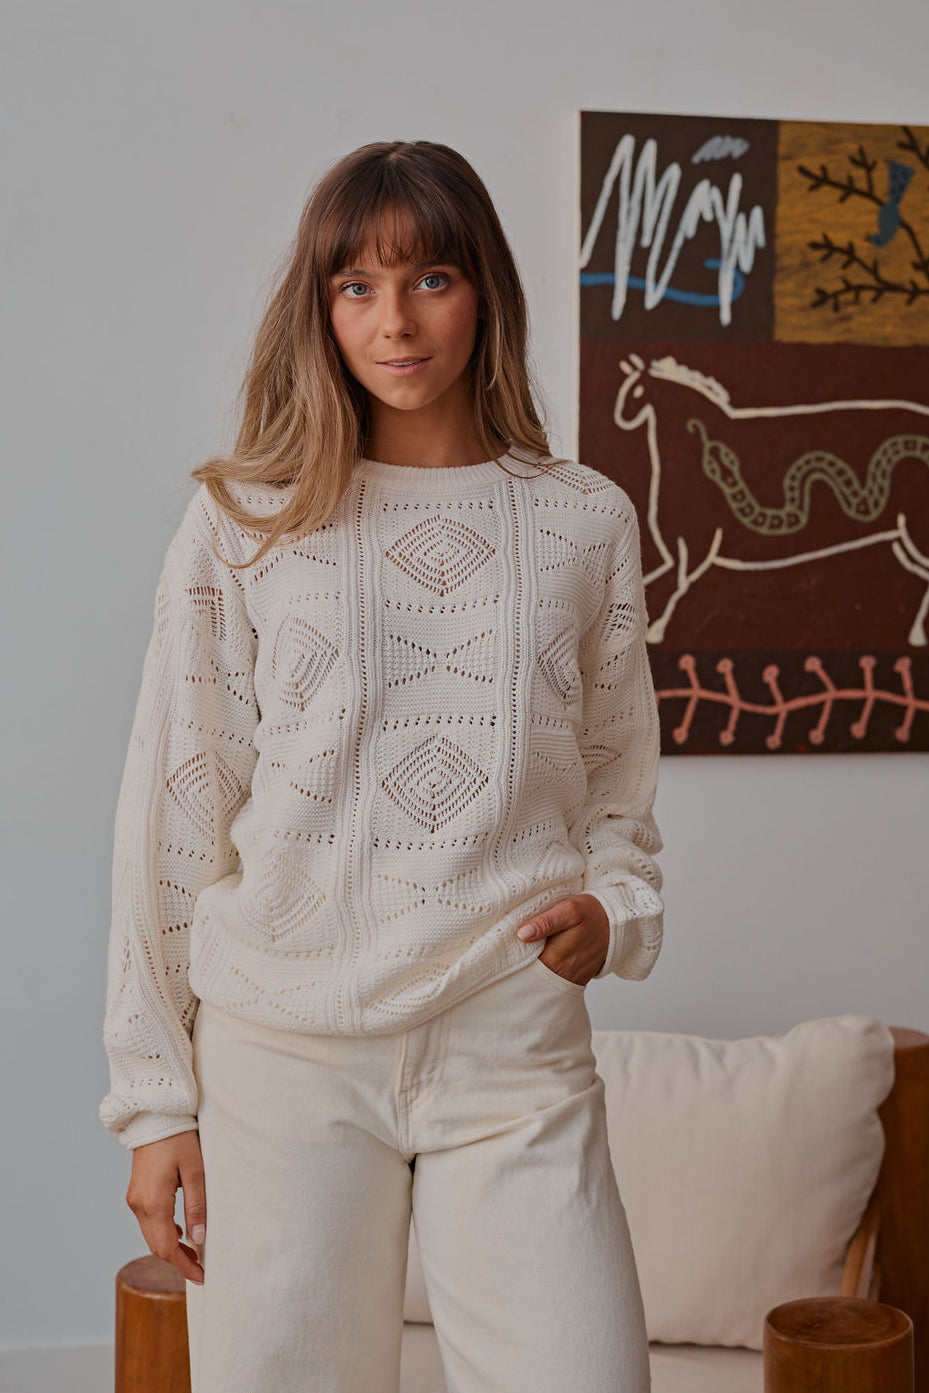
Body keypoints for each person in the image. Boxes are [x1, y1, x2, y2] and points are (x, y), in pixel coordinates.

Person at [99, 139, 664, 1393]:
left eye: (430, 279)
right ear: (318, 307)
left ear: (485, 293)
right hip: (283, 1051)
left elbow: (618, 784)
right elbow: (173, 813)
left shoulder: (583, 518)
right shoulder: (245, 517)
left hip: (512, 1040)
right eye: (355, 286)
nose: (393, 321)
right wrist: (155, 1100)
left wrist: (613, 910)